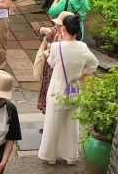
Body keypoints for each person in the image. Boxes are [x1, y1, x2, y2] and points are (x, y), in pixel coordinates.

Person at [38, 15, 98, 166]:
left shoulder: (57, 47)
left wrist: (46, 54)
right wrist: (80, 76)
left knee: (53, 124)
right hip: (73, 89)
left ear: (63, 28)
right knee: (71, 125)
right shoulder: (83, 47)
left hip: (57, 90)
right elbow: (94, 64)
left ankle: (51, 156)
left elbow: (52, 63)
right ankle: (71, 156)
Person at [36, 12, 74, 116]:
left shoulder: (66, 42)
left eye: (59, 25)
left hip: (59, 74)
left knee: (57, 99)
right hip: (53, 72)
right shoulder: (56, 32)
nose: (56, 26)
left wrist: (47, 53)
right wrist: (44, 30)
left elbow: (55, 59)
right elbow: (41, 30)